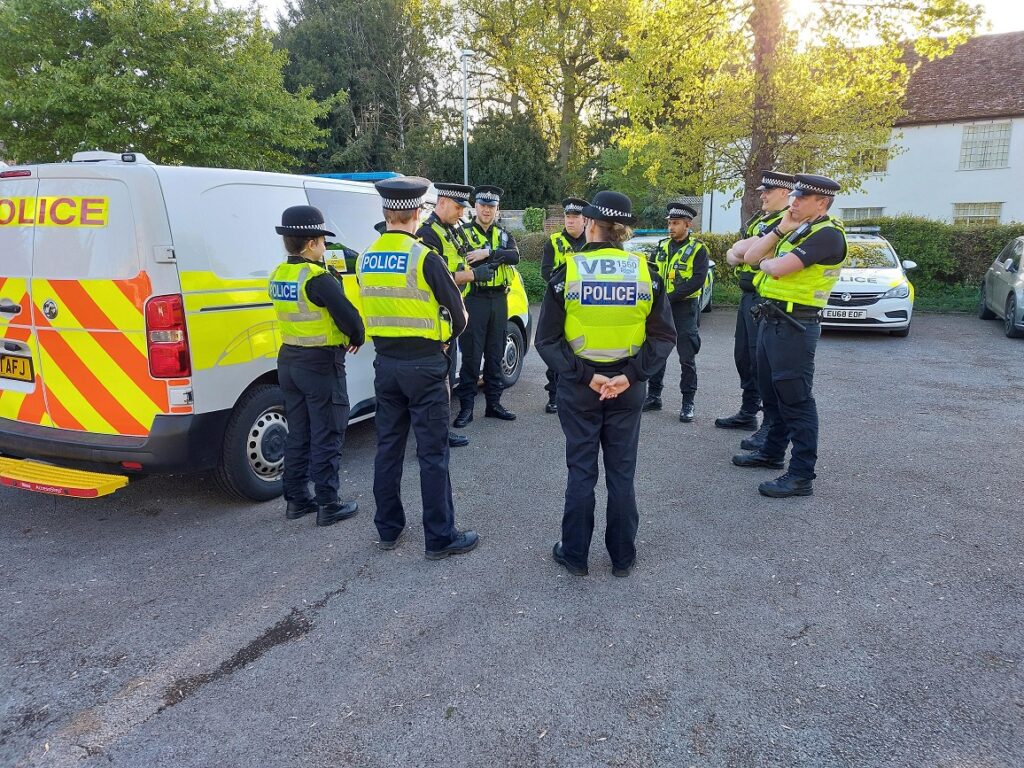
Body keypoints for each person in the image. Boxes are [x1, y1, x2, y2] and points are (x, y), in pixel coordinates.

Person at [536, 191, 675, 577]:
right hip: (628, 388)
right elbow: (664, 337)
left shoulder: (569, 272)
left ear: (592, 225)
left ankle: (576, 555)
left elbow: (546, 340)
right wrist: (629, 376)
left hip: (582, 386)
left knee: (581, 471)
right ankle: (622, 557)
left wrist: (587, 376)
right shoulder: (647, 272)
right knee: (621, 472)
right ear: (624, 230)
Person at [357, 176, 480, 558]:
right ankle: (440, 537)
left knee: (389, 448)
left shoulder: (365, 257)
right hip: (426, 366)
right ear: (416, 214)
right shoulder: (425, 257)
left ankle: (388, 529)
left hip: (386, 364)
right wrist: (445, 339)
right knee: (432, 453)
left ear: (386, 213)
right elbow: (459, 316)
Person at [731, 173, 848, 498]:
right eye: (793, 196)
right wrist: (779, 231)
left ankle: (800, 475)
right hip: (773, 317)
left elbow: (776, 268)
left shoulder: (828, 235)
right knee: (773, 392)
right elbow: (754, 258)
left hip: (797, 324)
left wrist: (770, 261)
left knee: (796, 399)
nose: (793, 202)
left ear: (821, 203)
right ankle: (771, 452)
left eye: (801, 199)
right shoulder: (795, 229)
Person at [269, 205, 365, 526]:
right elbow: (350, 318)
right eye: (323, 240)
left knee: (299, 433)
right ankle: (328, 503)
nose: (326, 246)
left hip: (290, 360)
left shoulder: (280, 274)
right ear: (311, 243)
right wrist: (357, 335)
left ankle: (297, 500)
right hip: (321, 364)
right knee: (327, 433)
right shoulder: (318, 278)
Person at [717, 170, 795, 443]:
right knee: (745, 357)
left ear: (785, 193)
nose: (761, 195)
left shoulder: (784, 222)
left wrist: (743, 253)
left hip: (765, 298)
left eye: (768, 191)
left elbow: (745, 253)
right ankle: (749, 410)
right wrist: (742, 253)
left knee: (763, 364)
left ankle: (768, 426)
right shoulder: (760, 220)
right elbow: (733, 254)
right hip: (748, 297)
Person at [416, 182, 493, 448]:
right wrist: (472, 275)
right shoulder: (428, 234)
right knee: (438, 381)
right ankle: (434, 437)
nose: (461, 213)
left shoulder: (450, 229)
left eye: (463, 208)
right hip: (437, 317)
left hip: (450, 313)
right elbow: (434, 277)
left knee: (446, 378)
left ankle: (440, 431)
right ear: (442, 203)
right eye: (458, 207)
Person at [452, 185, 520, 426]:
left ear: (497, 209)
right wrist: (489, 254)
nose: (486, 210)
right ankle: (466, 408)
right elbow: (467, 256)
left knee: (495, 354)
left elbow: (515, 256)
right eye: (482, 205)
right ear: (475, 207)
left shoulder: (503, 234)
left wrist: (487, 253)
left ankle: (494, 404)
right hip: (474, 300)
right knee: (471, 356)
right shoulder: (462, 232)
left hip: (499, 300)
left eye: (491, 206)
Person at [642, 203, 709, 423]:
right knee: (657, 352)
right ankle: (654, 396)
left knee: (686, 358)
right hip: (660, 308)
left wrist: (668, 298)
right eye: (669, 223)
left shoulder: (699, 249)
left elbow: (697, 281)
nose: (671, 227)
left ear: (687, 225)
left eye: (676, 223)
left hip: (684, 309)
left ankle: (687, 403)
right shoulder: (661, 246)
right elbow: (651, 273)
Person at [540, 197, 588, 414]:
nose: (570, 221)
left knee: (582, 349)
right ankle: (554, 395)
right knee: (557, 350)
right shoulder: (554, 241)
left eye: (575, 217)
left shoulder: (592, 241)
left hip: (585, 306)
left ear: (585, 220)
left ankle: (581, 394)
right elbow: (545, 272)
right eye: (568, 217)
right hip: (560, 304)